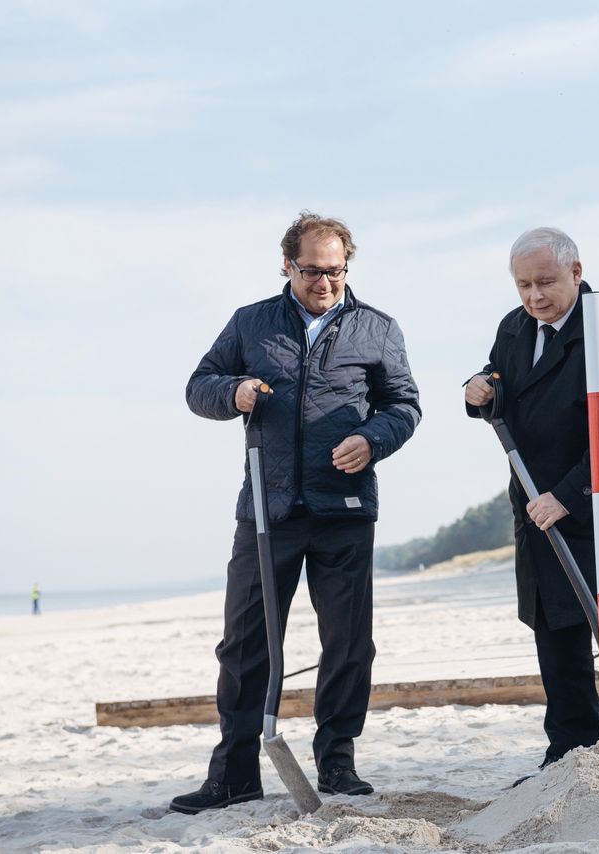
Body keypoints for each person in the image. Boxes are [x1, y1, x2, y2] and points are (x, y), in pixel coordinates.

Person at [172, 211, 421, 815]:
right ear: (286, 265)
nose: (325, 284)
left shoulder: (377, 329)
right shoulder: (250, 323)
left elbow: (405, 405)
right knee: (245, 645)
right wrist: (231, 394)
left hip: (346, 510)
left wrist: (374, 439)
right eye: (311, 271)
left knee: (348, 644)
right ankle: (233, 773)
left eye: (335, 272)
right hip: (267, 508)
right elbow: (198, 385)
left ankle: (337, 763)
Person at [464, 227, 599, 785]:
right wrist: (477, 388)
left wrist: (568, 496)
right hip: (534, 504)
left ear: (576, 272)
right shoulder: (513, 327)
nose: (534, 297)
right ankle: (569, 752)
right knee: (555, 631)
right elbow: (501, 387)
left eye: (545, 282)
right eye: (523, 285)